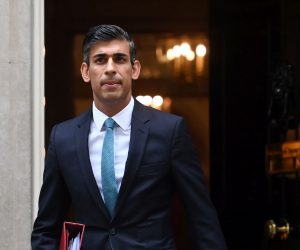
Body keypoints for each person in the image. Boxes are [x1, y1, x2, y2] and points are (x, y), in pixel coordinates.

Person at [31, 24, 227, 250]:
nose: (110, 68)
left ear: (135, 69)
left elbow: (202, 219)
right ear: (86, 71)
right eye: (100, 60)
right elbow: (47, 228)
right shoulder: (62, 137)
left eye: (120, 59)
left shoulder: (169, 131)